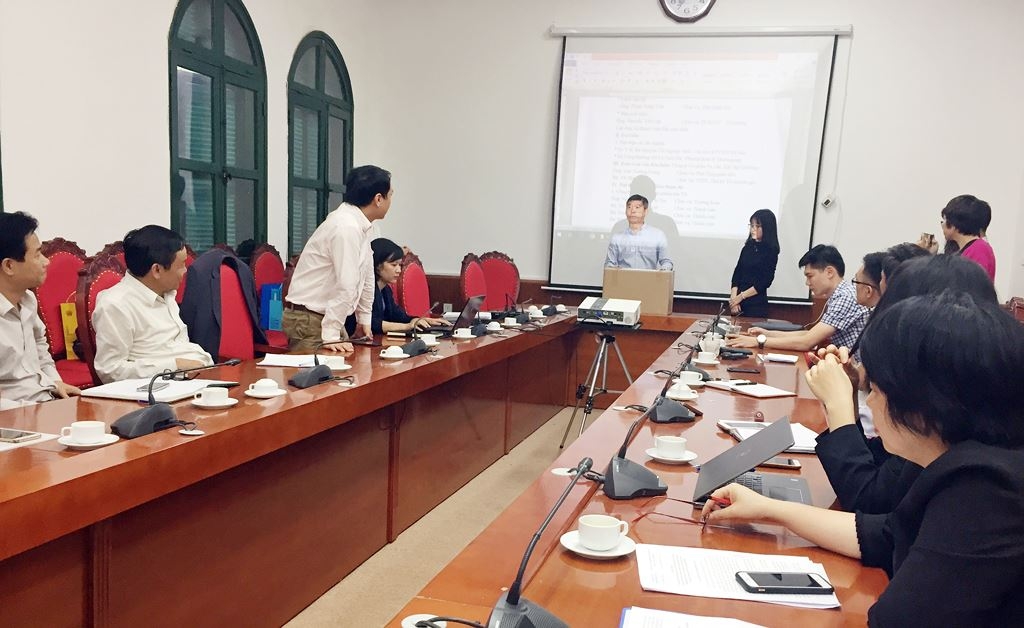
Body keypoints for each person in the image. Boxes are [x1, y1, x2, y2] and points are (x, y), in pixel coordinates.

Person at [704, 291, 1024, 625]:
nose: (869, 402)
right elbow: (887, 535)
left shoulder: (986, 488)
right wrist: (768, 509)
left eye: (877, 389)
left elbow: (898, 619)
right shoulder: (961, 460)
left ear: (924, 403)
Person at [813, 255, 998, 513]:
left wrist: (839, 406)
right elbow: (878, 466)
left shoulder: (949, 430)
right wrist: (850, 393)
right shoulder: (951, 400)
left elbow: (870, 502)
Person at [284, 165, 393, 353]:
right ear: (378, 199)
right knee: (319, 372)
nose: (391, 201)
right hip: (309, 319)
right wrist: (331, 334)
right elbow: (347, 283)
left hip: (326, 318)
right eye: (390, 195)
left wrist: (364, 319)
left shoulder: (361, 226)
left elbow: (367, 274)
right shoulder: (346, 227)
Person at [92, 226, 213, 383]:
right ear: (157, 270)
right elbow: (110, 370)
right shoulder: (115, 305)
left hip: (196, 378)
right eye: (181, 265)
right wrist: (174, 366)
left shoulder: (165, 292)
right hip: (160, 388)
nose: (185, 271)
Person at [0, 211, 80, 404]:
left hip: (44, 399)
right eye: (37, 255)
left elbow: (41, 349)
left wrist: (55, 381)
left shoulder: (27, 299)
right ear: (9, 266)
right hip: (16, 413)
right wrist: (31, 410)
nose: (46, 261)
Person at [727, 245, 868, 351]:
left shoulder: (844, 297)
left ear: (829, 272)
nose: (807, 283)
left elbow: (807, 342)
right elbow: (809, 334)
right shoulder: (840, 295)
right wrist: (768, 334)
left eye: (810, 276)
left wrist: (758, 342)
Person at [344, 238, 449, 335]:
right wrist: (407, 326)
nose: (399, 270)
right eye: (394, 265)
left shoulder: (385, 290)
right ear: (377, 265)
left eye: (400, 265)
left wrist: (417, 320)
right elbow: (370, 323)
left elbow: (397, 315)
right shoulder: (365, 290)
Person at [728, 209, 779, 318]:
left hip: (756, 305)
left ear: (767, 228)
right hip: (737, 304)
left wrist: (741, 297)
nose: (753, 229)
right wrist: (733, 300)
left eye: (757, 226)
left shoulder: (771, 251)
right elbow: (737, 273)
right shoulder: (748, 247)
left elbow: (765, 281)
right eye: (752, 225)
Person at [604, 194, 672, 270]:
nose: (632, 211)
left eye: (637, 207)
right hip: (623, 277)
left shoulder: (658, 235)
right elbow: (609, 264)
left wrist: (663, 270)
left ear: (645, 211)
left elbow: (667, 262)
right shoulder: (617, 238)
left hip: (649, 277)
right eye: (629, 207)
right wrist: (613, 268)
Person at [941, 194, 995, 281]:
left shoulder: (979, 249)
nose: (942, 225)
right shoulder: (968, 248)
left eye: (944, 220)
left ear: (954, 224)